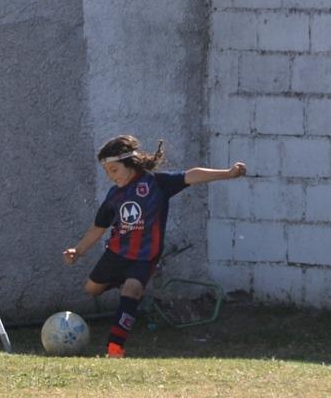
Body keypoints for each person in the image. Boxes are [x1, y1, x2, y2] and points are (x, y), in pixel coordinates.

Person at [64, 135, 246, 357]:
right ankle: (123, 282)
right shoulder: (114, 195)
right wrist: (78, 250)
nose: (111, 177)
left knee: (132, 290)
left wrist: (227, 173)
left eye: (114, 170)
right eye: (107, 172)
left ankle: (115, 347)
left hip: (145, 256)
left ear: (130, 164)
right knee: (91, 289)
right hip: (117, 253)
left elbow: (192, 175)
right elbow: (98, 227)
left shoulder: (156, 184)